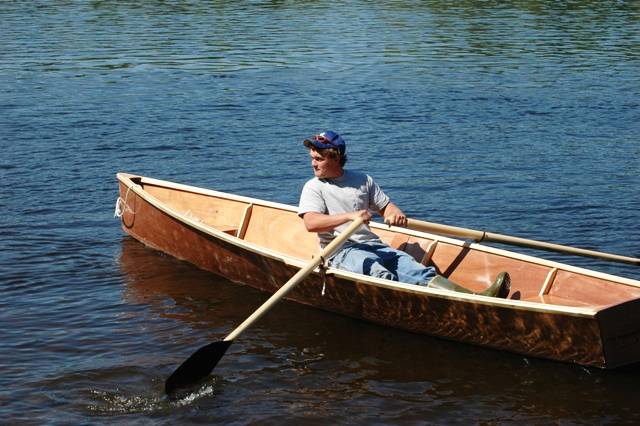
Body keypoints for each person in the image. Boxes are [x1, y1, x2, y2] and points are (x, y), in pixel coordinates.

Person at [297, 130, 510, 297]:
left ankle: (472, 298)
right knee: (379, 273)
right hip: (341, 251)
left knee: (416, 270)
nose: (313, 163)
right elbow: (311, 223)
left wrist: (395, 214)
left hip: (373, 244)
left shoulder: (362, 180)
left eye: (318, 159)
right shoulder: (314, 187)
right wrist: (349, 216)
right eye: (312, 158)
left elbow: (387, 207)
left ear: (335, 157)